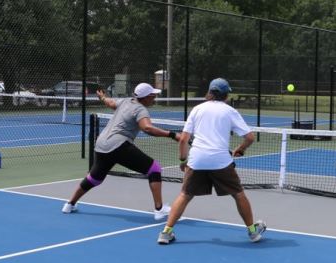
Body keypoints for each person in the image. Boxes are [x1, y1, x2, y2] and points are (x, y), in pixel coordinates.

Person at [157, 78, 266, 245]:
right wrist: (241, 149)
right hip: (221, 162)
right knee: (238, 194)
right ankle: (253, 232)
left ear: (210, 92)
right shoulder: (230, 111)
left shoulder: (197, 109)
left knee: (185, 195)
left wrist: (183, 160)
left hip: (197, 160)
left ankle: (166, 233)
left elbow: (183, 140)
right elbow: (250, 137)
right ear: (226, 94)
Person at [62, 83, 180, 218]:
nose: (155, 98)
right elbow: (147, 128)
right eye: (153, 96)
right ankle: (159, 210)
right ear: (146, 97)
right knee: (154, 169)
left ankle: (69, 204)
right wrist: (173, 135)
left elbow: (110, 103)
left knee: (95, 178)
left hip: (101, 144)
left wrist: (102, 97)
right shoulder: (141, 110)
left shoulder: (125, 101)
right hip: (118, 145)